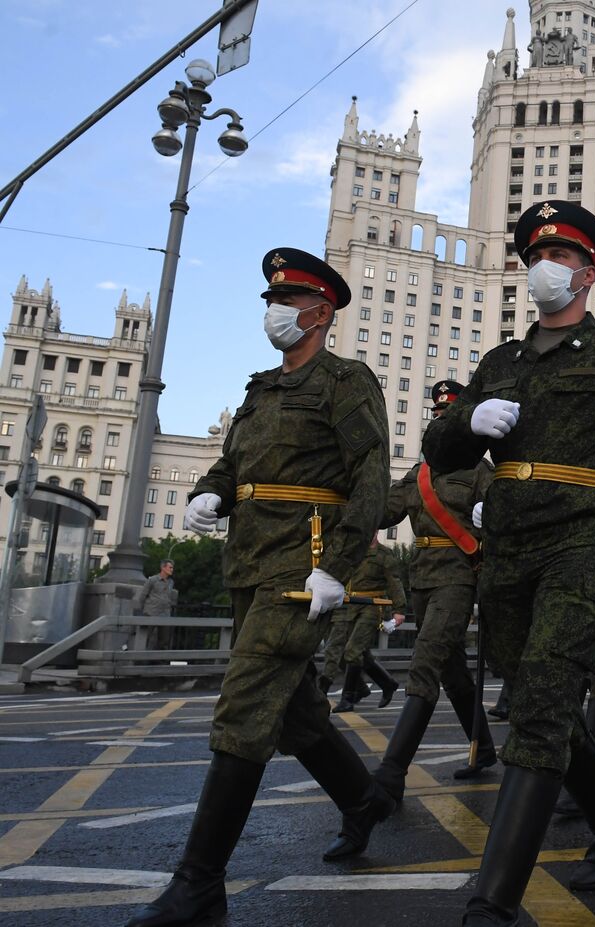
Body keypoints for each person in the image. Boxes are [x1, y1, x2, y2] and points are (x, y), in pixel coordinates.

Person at [421, 201, 595, 923]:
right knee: (535, 694)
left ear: (589, 272)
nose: (545, 267)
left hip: (583, 542)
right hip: (508, 548)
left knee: (539, 705)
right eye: (536, 254)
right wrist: (464, 424)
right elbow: (438, 450)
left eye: (562, 255)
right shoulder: (499, 361)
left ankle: (492, 900)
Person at [128, 248, 392, 927]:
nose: (275, 312)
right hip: (249, 563)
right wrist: (208, 492)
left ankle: (198, 885)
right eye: (271, 301)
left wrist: (339, 563)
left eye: (288, 301)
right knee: (296, 711)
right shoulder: (261, 389)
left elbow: (369, 476)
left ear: (321, 311)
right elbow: (229, 462)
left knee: (243, 707)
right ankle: (362, 798)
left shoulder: (346, 380)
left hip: (300, 572)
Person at [373, 379, 499, 805]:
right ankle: (483, 746)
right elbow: (383, 510)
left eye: (450, 413)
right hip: (422, 578)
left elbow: (504, 520)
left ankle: (390, 776)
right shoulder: (418, 473)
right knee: (452, 672)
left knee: (425, 664)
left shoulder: (481, 471)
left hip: (459, 577)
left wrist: (493, 514)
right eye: (438, 413)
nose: (442, 419)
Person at [320, 537, 406, 712]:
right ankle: (385, 684)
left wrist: (399, 610)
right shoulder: (352, 551)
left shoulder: (384, 555)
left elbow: (394, 582)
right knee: (355, 653)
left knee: (353, 651)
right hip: (350, 604)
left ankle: (348, 698)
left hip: (372, 606)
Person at [134, 559, 179, 649]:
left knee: (164, 641)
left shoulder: (171, 582)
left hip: (165, 614)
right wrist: (140, 611)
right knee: (145, 638)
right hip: (151, 613)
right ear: (163, 567)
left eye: (172, 568)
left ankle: (159, 661)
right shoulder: (153, 580)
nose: (172, 570)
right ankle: (139, 660)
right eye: (170, 567)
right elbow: (143, 595)